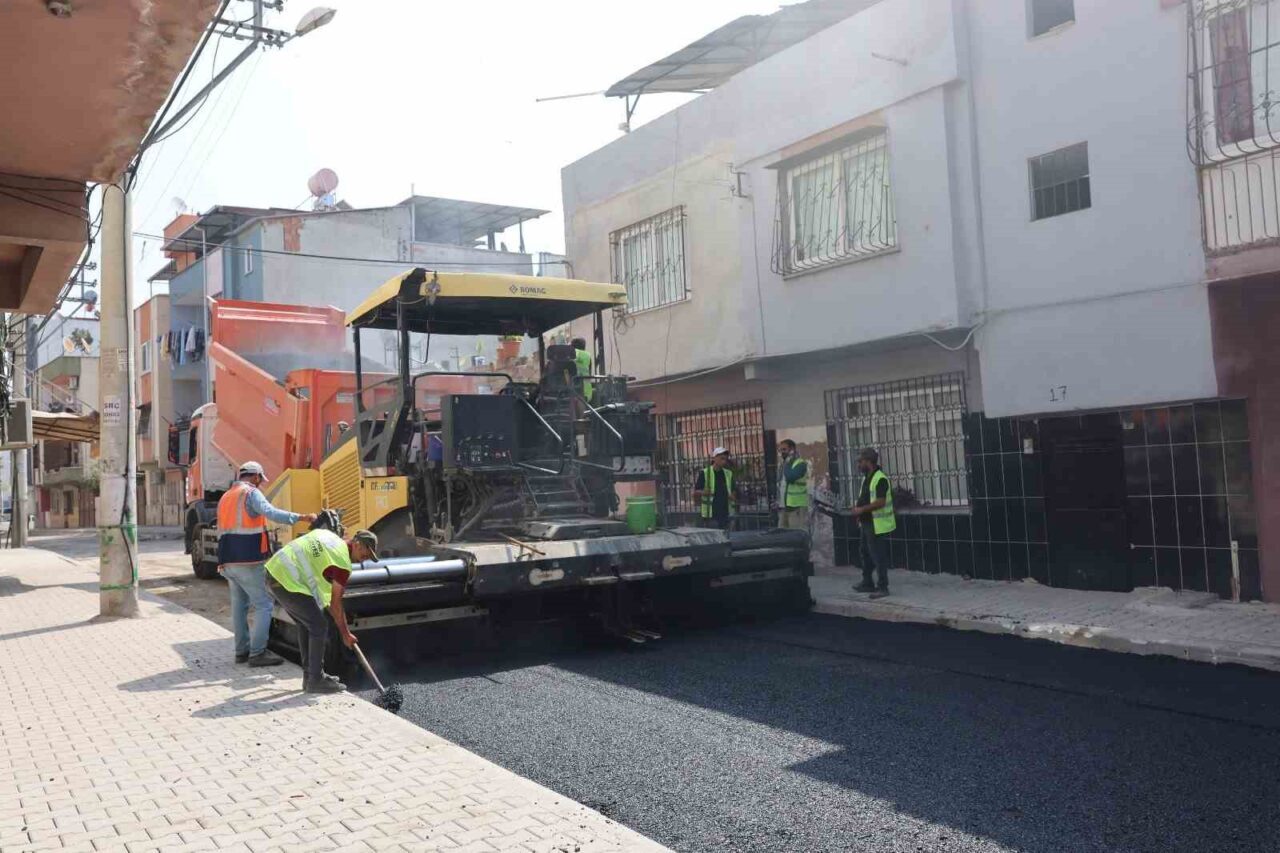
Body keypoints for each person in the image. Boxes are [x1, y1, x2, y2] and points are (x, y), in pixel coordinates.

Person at [216, 461, 317, 667]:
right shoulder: (250, 494)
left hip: (227, 561)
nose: (261, 483)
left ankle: (241, 652)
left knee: (239, 607)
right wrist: (301, 517)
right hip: (248, 559)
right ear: (255, 477)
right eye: (261, 479)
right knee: (264, 605)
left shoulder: (226, 496)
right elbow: (270, 512)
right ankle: (257, 654)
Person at [264, 527, 378, 694]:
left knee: (307, 624)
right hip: (286, 580)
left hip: (275, 572)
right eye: (366, 552)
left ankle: (309, 677)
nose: (366, 558)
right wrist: (345, 634)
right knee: (319, 626)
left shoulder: (329, 537)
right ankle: (316, 680)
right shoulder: (342, 563)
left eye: (370, 556)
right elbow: (336, 604)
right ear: (357, 543)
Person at [850, 448, 896, 598]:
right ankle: (867, 582)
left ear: (868, 462)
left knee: (878, 556)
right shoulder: (867, 477)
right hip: (866, 522)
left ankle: (883, 587)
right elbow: (865, 497)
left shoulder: (880, 478)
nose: (858, 464)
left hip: (877, 524)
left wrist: (861, 509)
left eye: (860, 461)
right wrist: (859, 512)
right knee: (865, 553)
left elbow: (880, 502)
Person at [693, 447, 739, 531]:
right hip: (710, 513)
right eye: (722, 458)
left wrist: (733, 496)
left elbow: (733, 489)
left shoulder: (728, 473)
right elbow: (696, 492)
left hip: (726, 512)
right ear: (714, 458)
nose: (724, 461)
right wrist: (703, 492)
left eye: (725, 459)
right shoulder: (705, 473)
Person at [775, 439, 809, 530]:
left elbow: (790, 477)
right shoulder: (783, 465)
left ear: (792, 450)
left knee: (795, 534)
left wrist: (788, 463)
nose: (782, 453)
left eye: (784, 450)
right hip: (784, 507)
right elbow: (780, 483)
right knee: (782, 535)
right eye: (780, 450)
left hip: (796, 507)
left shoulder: (800, 464)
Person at [571, 337, 594, 403]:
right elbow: (589, 372)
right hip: (587, 392)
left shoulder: (575, 353)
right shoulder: (588, 355)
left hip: (575, 391)